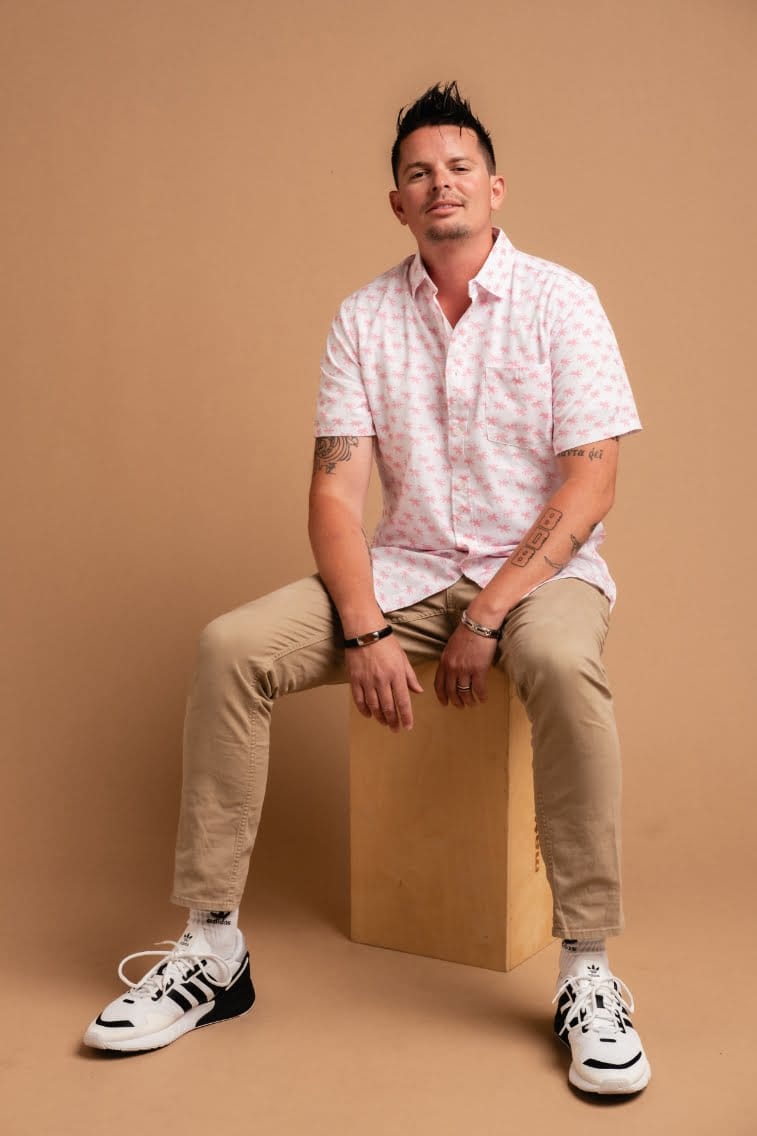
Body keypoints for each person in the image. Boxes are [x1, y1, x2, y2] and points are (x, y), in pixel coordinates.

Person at [84, 81, 650, 1096]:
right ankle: (212, 945)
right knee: (229, 644)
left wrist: (489, 610)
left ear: (496, 187)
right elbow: (337, 494)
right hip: (405, 570)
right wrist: (362, 626)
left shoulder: (563, 300)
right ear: (397, 202)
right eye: (418, 172)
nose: (441, 183)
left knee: (561, 658)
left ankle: (589, 969)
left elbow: (592, 479)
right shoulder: (361, 318)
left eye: (459, 166)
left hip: (539, 571)